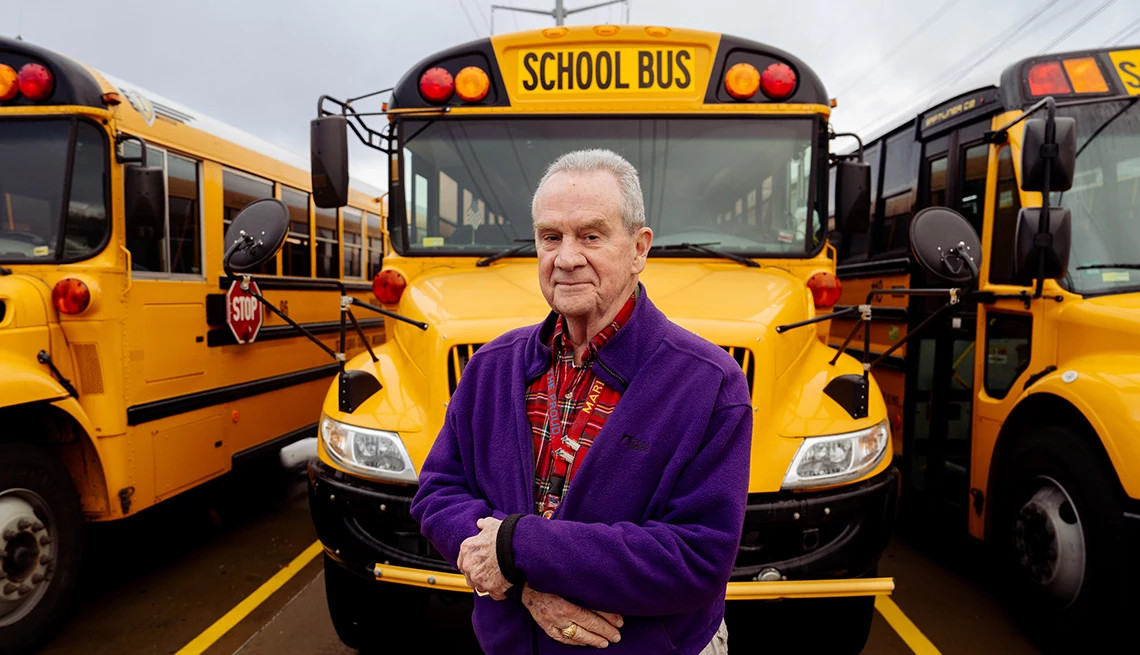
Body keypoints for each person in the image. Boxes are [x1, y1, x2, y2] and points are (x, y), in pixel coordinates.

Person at [410, 149, 752, 654]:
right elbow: (439, 491)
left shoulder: (710, 382)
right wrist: (523, 584)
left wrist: (517, 548)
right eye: (551, 237)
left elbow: (699, 557)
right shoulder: (490, 366)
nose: (566, 258)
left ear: (639, 249)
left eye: (591, 236)